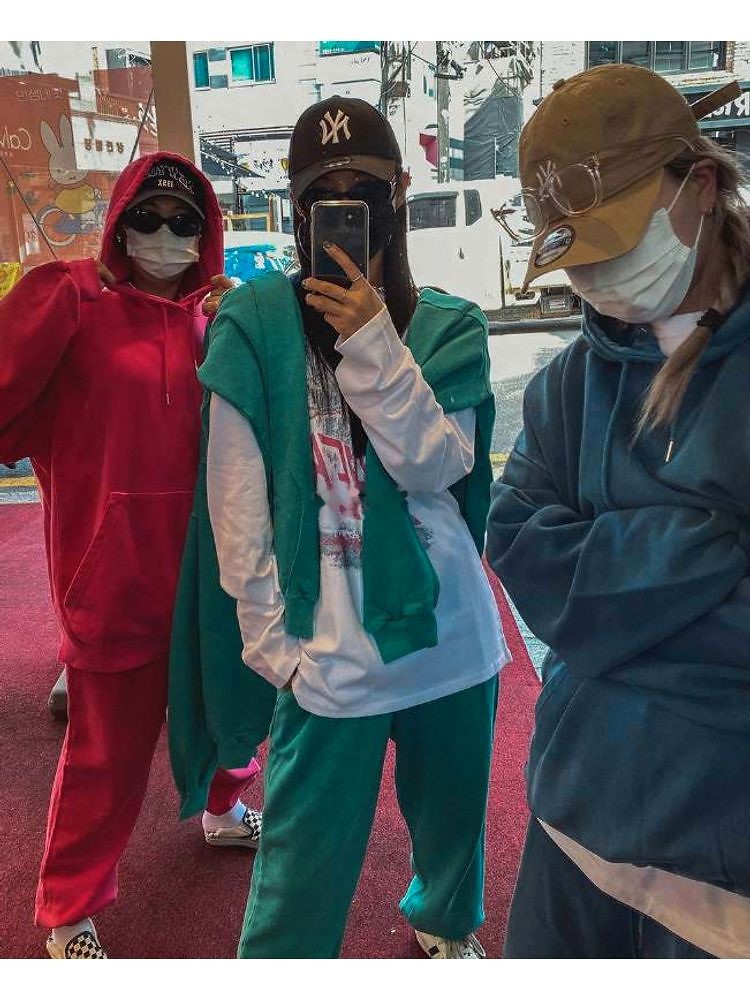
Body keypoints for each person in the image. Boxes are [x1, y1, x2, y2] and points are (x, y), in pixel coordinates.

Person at [174, 96, 510, 959]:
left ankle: (444, 923)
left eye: (365, 192)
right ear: (296, 209)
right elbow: (235, 500)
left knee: (454, 824)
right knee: (298, 872)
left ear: (398, 198)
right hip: (328, 655)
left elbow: (434, 468)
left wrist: (373, 342)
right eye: (325, 196)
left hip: (449, 637)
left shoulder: (450, 325)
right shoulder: (253, 326)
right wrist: (273, 646)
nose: (346, 210)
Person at [487, 64, 750, 959]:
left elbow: (575, 598)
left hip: (721, 884)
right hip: (574, 825)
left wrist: (611, 617)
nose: (594, 271)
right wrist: (712, 546)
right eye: (574, 248)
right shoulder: (569, 382)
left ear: (701, 186)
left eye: (615, 237)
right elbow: (520, 547)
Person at [0, 153, 263, 959]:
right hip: (112, 580)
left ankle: (224, 808)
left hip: (210, 574)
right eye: (147, 216)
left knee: (227, 708)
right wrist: (53, 304)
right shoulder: (74, 303)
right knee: (105, 755)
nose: (164, 233)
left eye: (185, 221)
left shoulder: (217, 322)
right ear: (120, 221)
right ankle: (69, 908)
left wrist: (244, 324)